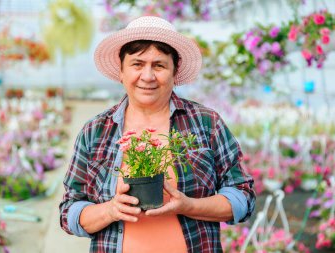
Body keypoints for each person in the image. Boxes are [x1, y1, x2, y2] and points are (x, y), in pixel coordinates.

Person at [59, 16, 255, 253]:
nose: (148, 76)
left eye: (159, 65)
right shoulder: (95, 131)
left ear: (175, 71)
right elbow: (69, 210)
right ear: (121, 71)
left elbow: (244, 197)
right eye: (137, 64)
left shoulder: (205, 122)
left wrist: (188, 206)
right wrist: (110, 210)